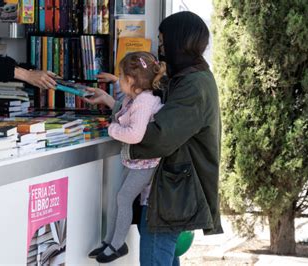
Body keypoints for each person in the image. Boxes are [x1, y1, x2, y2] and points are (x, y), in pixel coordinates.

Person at [85, 11, 223, 266]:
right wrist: (116, 100)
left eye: (162, 42)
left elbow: (158, 136)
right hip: (170, 190)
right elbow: (149, 109)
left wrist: (120, 137)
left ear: (177, 43)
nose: (160, 49)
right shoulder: (188, 77)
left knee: (154, 256)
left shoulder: (193, 85)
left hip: (173, 193)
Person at [87, 52, 166, 263]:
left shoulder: (143, 103)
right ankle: (110, 241)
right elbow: (123, 111)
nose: (118, 79)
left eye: (120, 76)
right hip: (136, 161)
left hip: (145, 163)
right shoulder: (136, 98)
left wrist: (112, 129)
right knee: (118, 197)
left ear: (131, 80)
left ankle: (118, 244)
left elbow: (134, 134)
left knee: (123, 198)